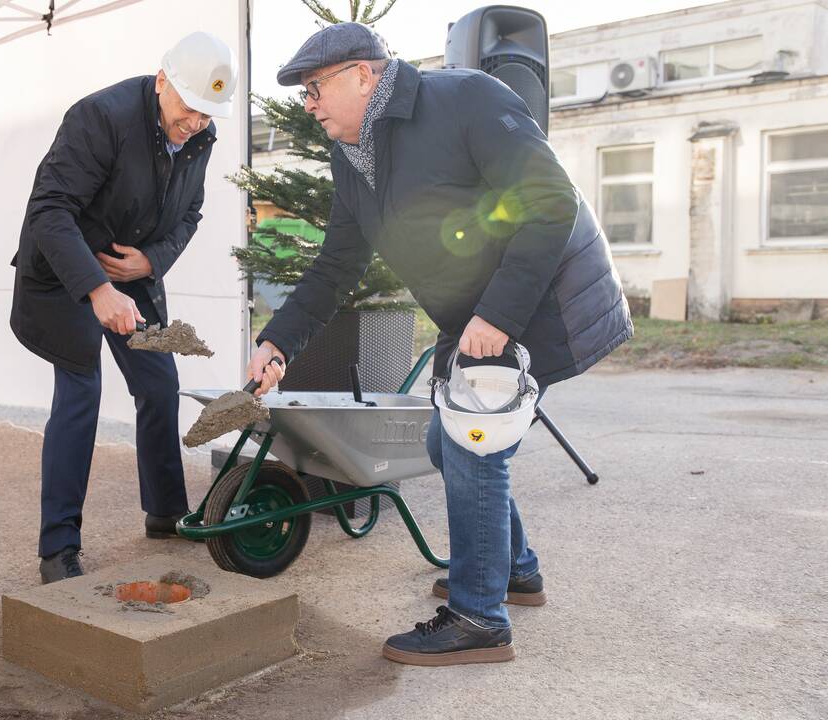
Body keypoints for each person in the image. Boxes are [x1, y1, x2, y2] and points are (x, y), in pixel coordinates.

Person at [248, 23, 633, 665]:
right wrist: (278, 342)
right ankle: (515, 570)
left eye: (316, 87)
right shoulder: (355, 158)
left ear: (364, 75)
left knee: (470, 440)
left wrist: (500, 318)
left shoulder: (466, 100)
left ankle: (479, 619)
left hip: (546, 298)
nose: (308, 104)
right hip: (484, 309)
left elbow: (548, 203)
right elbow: (336, 266)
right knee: (441, 440)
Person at [10, 32, 238, 584]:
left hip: (129, 273)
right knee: (81, 392)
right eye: (188, 111)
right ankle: (58, 548)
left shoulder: (199, 135)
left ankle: (164, 512)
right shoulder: (99, 117)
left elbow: (191, 216)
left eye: (208, 116)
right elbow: (49, 209)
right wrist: (97, 289)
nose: (195, 125)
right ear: (162, 81)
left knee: (159, 382)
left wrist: (149, 263)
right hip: (66, 275)